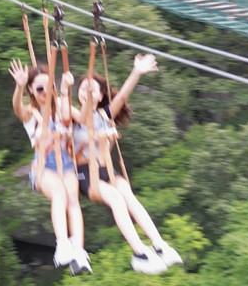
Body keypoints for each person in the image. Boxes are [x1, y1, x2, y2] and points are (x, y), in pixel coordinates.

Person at [69, 53, 183, 274]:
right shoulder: (73, 115)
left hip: (106, 169)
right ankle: (140, 253)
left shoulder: (104, 115)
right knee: (116, 199)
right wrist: (100, 136)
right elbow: (81, 127)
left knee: (128, 196)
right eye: (83, 89)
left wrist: (136, 72)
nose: (87, 92)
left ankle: (160, 245)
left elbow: (121, 96)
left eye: (92, 89)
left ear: (101, 95)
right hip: (86, 173)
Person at [9, 58, 91, 274]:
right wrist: (19, 86)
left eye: (49, 86)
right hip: (44, 166)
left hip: (66, 163)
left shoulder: (63, 106)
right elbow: (17, 108)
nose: (45, 92)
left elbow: (83, 119)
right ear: (31, 90)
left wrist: (82, 98)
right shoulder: (31, 113)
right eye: (39, 88)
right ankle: (62, 244)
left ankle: (78, 251)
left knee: (73, 201)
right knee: (59, 194)